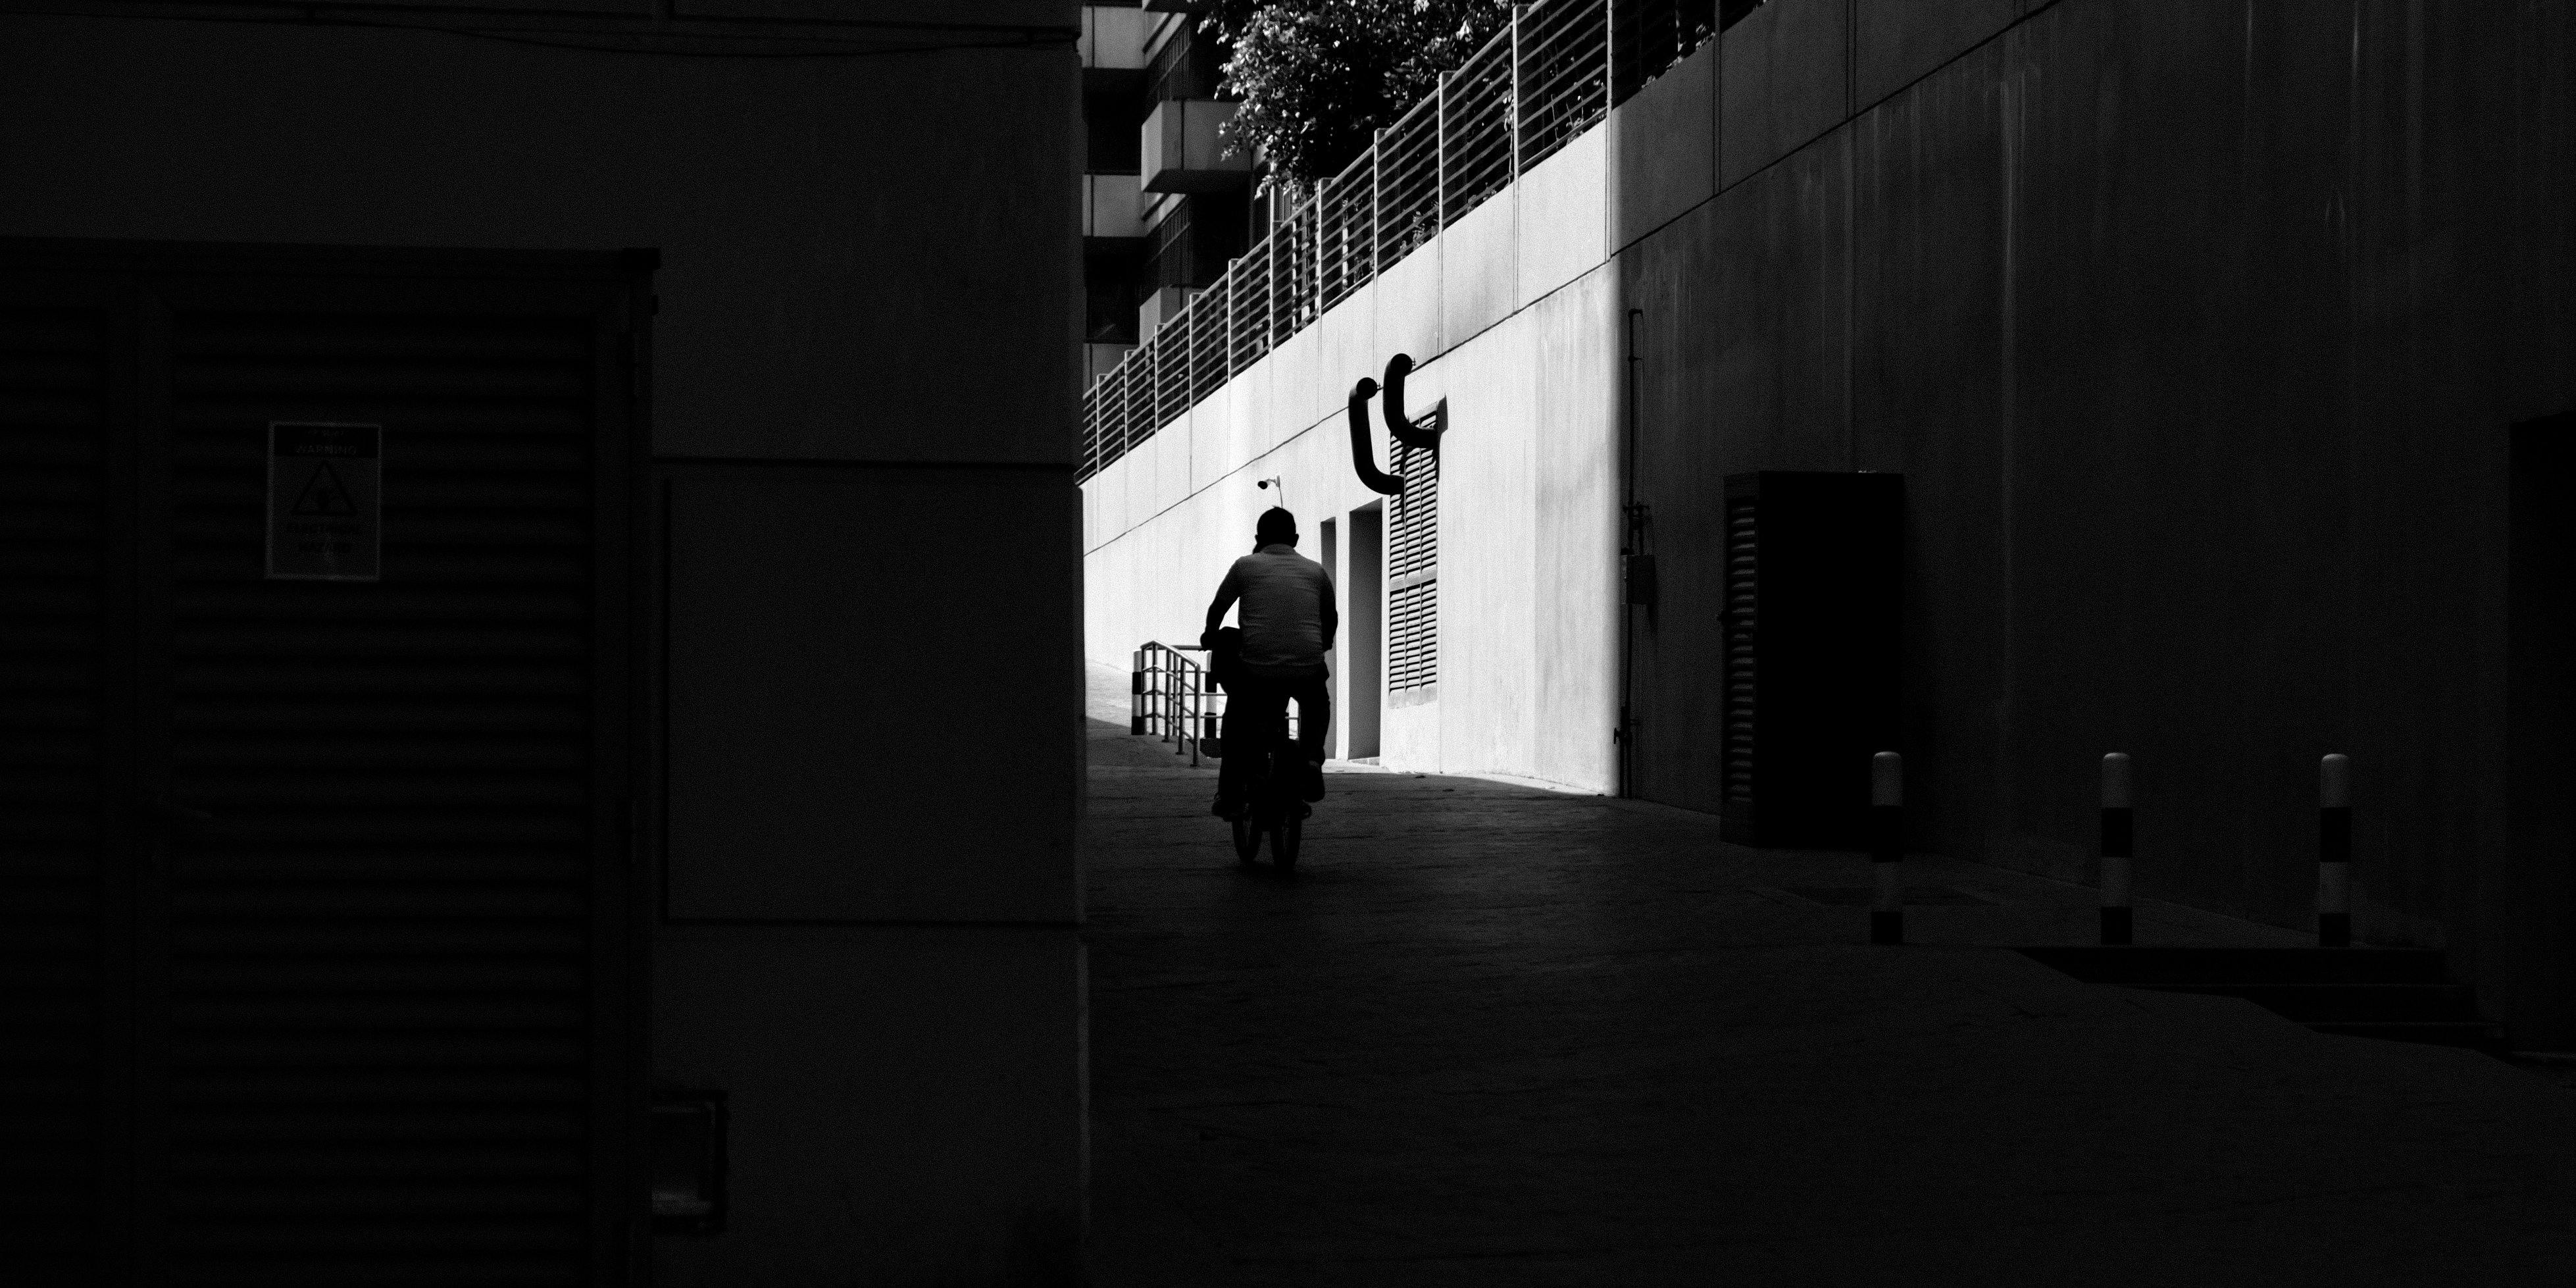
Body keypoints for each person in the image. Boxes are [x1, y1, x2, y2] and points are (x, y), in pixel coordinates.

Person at [1203, 507, 1336, 819]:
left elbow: (1219, 607)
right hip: (1306, 667)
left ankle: (1231, 795)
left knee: (1236, 721)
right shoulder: (1316, 572)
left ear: (1258, 539)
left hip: (1256, 671)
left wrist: (1210, 635)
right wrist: (1322, 646)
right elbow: (1330, 618)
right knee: (1318, 702)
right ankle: (1312, 759)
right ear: (1296, 539)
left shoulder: (1245, 566)